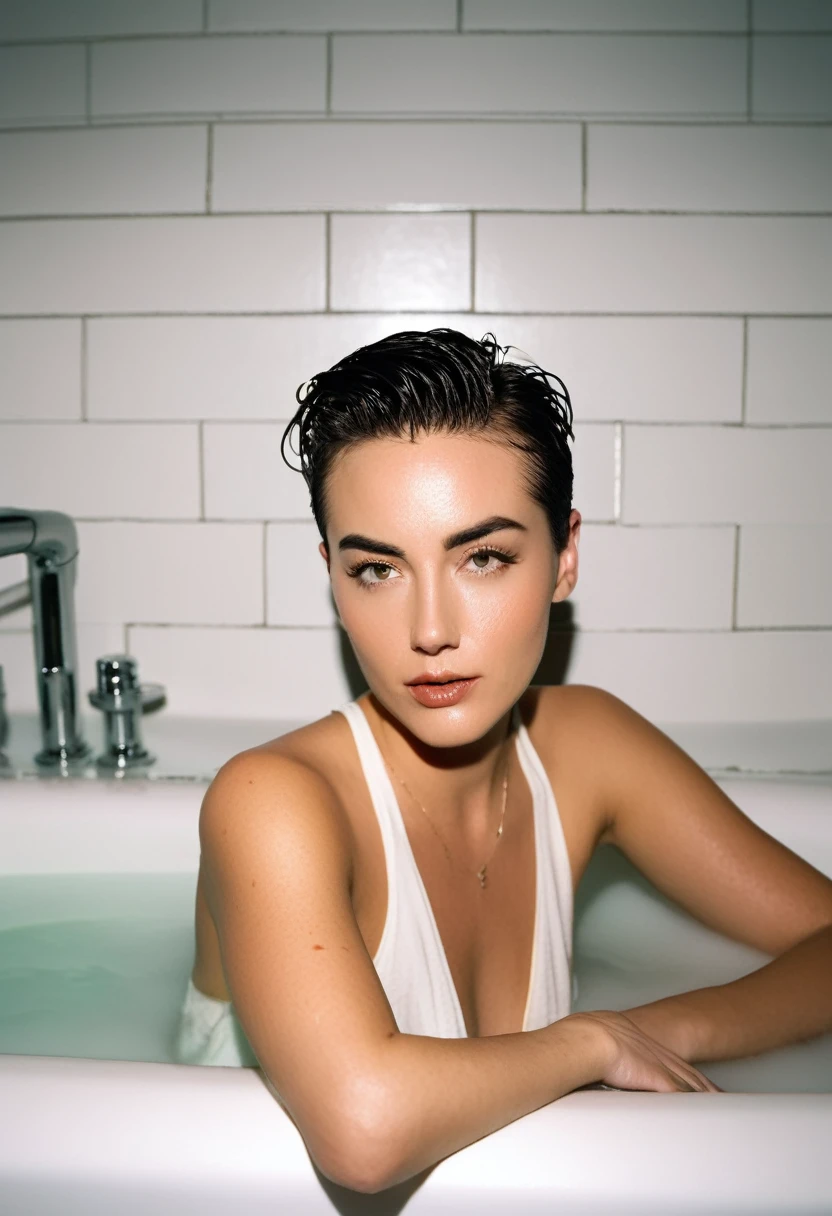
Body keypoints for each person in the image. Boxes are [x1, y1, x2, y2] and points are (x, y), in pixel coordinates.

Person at [174, 328, 832, 1194]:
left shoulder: (588, 746)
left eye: (483, 556)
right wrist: (590, 1043)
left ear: (564, 556)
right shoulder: (273, 799)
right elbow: (364, 1132)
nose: (431, 630)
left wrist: (660, 1030)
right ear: (330, 571)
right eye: (377, 568)